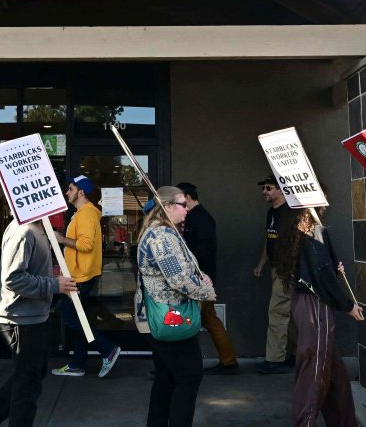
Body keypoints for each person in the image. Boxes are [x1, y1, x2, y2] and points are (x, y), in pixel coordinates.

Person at [0, 214, 77, 427]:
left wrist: (52, 277)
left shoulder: (34, 229)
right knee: (27, 385)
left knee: (31, 376)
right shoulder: (24, 231)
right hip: (21, 319)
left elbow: (29, 271)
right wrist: (54, 285)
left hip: (33, 316)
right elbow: (13, 279)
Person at [275, 207, 364, 427]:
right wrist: (347, 305)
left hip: (304, 302)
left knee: (334, 374)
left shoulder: (294, 230)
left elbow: (319, 268)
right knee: (314, 372)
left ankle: (345, 422)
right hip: (316, 305)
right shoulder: (313, 231)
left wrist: (332, 267)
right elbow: (322, 273)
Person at [138, 185, 217, 427]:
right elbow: (178, 278)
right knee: (189, 376)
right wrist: (207, 291)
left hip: (162, 317)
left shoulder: (158, 232)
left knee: (166, 378)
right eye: (184, 204)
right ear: (169, 207)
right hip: (172, 317)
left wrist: (199, 276)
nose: (187, 209)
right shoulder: (162, 236)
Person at [51, 175, 122, 378]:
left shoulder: (86, 215)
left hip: (80, 276)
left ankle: (107, 350)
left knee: (69, 315)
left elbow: (86, 245)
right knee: (77, 317)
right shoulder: (84, 213)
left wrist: (62, 239)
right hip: (79, 274)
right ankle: (77, 364)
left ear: (80, 192)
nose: (67, 192)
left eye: (71, 189)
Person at [178, 181, 238, 375]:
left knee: (194, 321)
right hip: (201, 277)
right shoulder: (196, 217)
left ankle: (225, 362)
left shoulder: (201, 218)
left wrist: (188, 261)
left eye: (179, 199)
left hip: (200, 278)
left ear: (187, 197)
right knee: (208, 319)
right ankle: (228, 361)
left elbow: (206, 247)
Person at [253, 176, 293, 374]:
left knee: (277, 312)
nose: (264, 192)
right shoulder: (271, 212)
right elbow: (270, 240)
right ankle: (289, 354)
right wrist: (262, 263)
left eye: (268, 188)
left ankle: (276, 360)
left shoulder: (291, 213)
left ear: (280, 190)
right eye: (263, 188)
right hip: (275, 269)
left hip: (287, 271)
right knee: (285, 312)